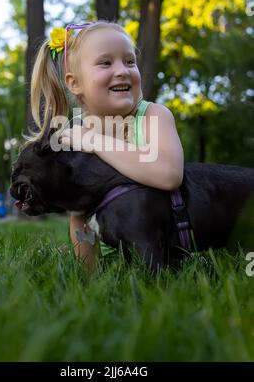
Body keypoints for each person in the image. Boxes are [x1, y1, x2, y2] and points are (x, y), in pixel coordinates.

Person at [28, 20, 184, 272]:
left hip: (170, 253)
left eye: (129, 61)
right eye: (105, 62)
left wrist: (95, 142)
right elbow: (80, 215)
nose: (122, 70)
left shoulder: (153, 116)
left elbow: (169, 174)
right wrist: (88, 276)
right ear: (74, 83)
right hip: (122, 268)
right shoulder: (78, 134)